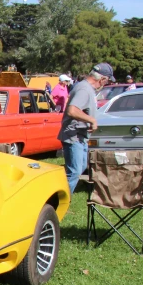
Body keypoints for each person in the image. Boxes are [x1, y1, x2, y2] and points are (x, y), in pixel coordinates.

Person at [58, 62, 113, 193]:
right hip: (73, 136)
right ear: (102, 79)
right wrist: (91, 120)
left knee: (80, 167)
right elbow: (72, 110)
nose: (106, 84)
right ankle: (59, 202)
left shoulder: (87, 88)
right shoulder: (84, 89)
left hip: (81, 135)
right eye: (107, 81)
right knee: (74, 172)